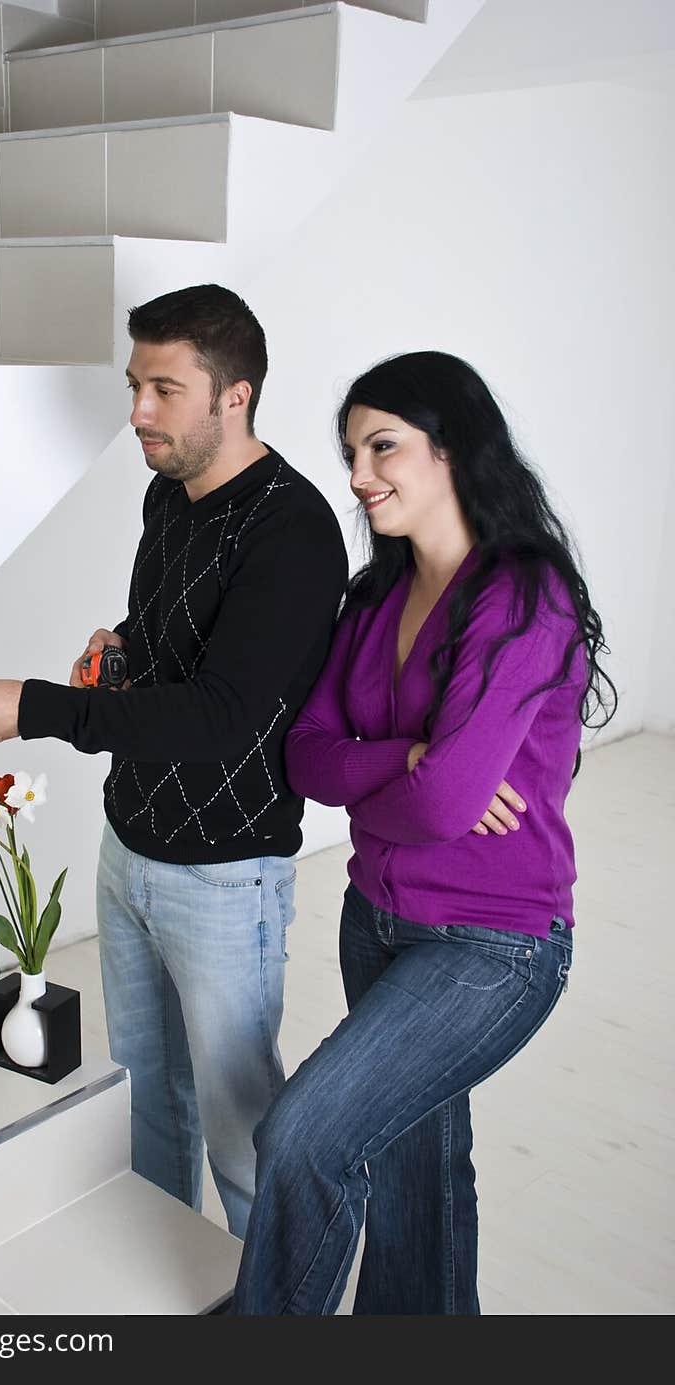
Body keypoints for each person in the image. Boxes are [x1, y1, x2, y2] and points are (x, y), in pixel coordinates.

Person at [0, 284, 349, 1239]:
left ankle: (273, 1312)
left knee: (244, 1137)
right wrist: (122, 645)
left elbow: (225, 718)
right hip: (130, 849)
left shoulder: (293, 530)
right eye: (133, 385)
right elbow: (181, 651)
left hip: (226, 874)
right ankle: (175, 1290)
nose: (136, 414)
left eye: (164, 389)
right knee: (151, 1103)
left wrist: (35, 705)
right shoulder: (168, 494)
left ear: (233, 396)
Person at [231, 350, 617, 1314]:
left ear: (452, 449)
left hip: (495, 944)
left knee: (306, 1135)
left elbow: (447, 807)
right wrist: (411, 760)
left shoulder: (525, 594)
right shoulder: (371, 602)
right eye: (352, 451)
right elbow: (307, 759)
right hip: (377, 920)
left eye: (383, 446)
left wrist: (410, 773)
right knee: (418, 1175)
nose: (359, 475)